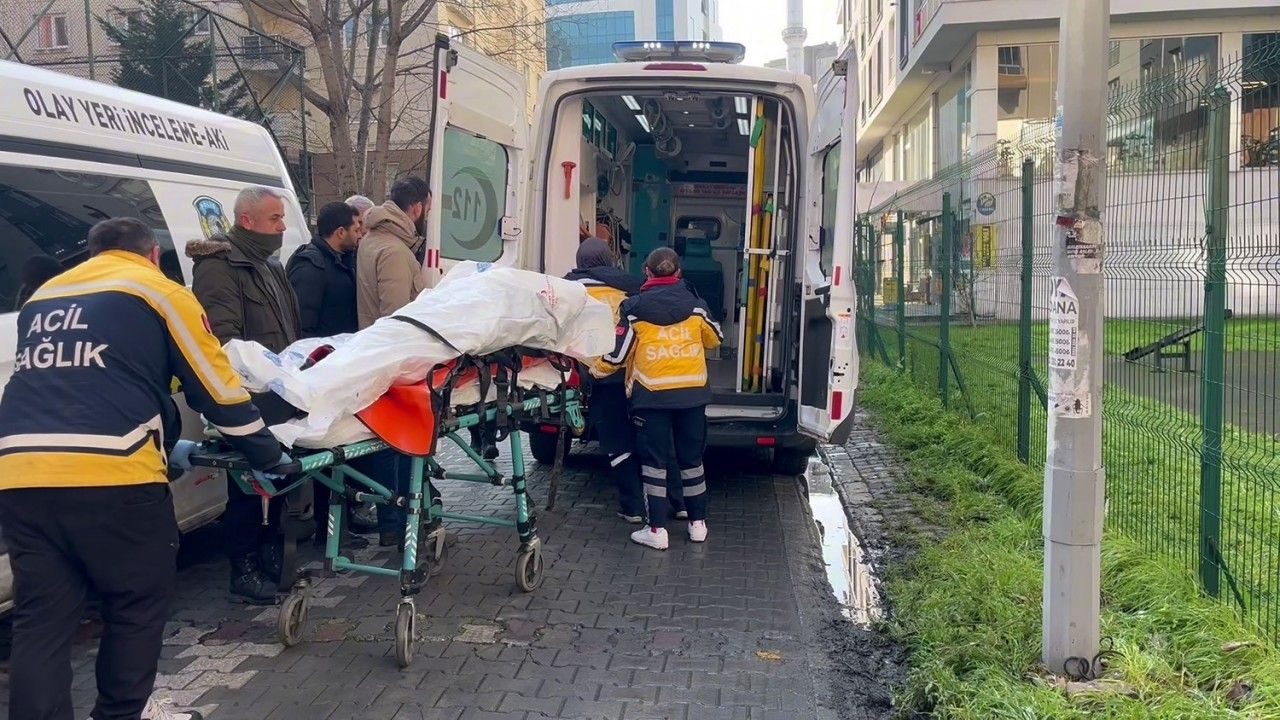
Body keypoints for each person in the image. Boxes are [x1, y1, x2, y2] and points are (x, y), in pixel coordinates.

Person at [0, 217, 288, 720]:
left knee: (42, 620)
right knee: (134, 605)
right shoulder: (160, 291)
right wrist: (266, 452)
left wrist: (167, 439)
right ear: (153, 254)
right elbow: (214, 385)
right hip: (114, 474)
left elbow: (92, 379)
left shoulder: (44, 297)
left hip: (20, 474)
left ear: (91, 255)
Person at [188, 185, 302, 604]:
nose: (283, 227)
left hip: (280, 391)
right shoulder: (219, 266)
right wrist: (251, 386)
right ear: (247, 220)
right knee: (246, 488)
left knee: (281, 479)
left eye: (283, 218)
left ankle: (271, 551)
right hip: (247, 397)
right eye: (275, 219)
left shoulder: (269, 263)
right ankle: (243, 567)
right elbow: (222, 342)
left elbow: (289, 328)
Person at [596, 248, 722, 550]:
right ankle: (698, 525)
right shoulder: (697, 307)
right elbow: (715, 338)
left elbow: (617, 355)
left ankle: (657, 530)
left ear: (647, 272)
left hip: (652, 397)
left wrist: (595, 371)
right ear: (678, 273)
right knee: (691, 461)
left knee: (655, 463)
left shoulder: (633, 308)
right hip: (692, 394)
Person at [354, 176, 441, 547]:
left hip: (381, 361)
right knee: (398, 446)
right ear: (417, 207)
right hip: (395, 366)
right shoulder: (393, 251)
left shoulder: (376, 241)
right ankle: (397, 524)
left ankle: (399, 519)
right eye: (428, 208)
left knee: (389, 445)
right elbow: (396, 318)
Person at [286, 201, 375, 547]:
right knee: (328, 453)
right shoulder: (311, 267)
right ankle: (328, 530)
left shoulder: (342, 261)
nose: (361, 233)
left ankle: (346, 519)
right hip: (322, 373)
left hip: (343, 368)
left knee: (345, 447)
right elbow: (303, 328)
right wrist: (316, 368)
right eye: (356, 228)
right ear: (340, 232)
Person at [565, 237, 645, 523]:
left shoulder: (569, 289)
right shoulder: (632, 287)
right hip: (635, 376)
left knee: (616, 441)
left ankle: (633, 507)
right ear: (610, 260)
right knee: (645, 439)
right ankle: (668, 504)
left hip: (598, 376)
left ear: (580, 262)